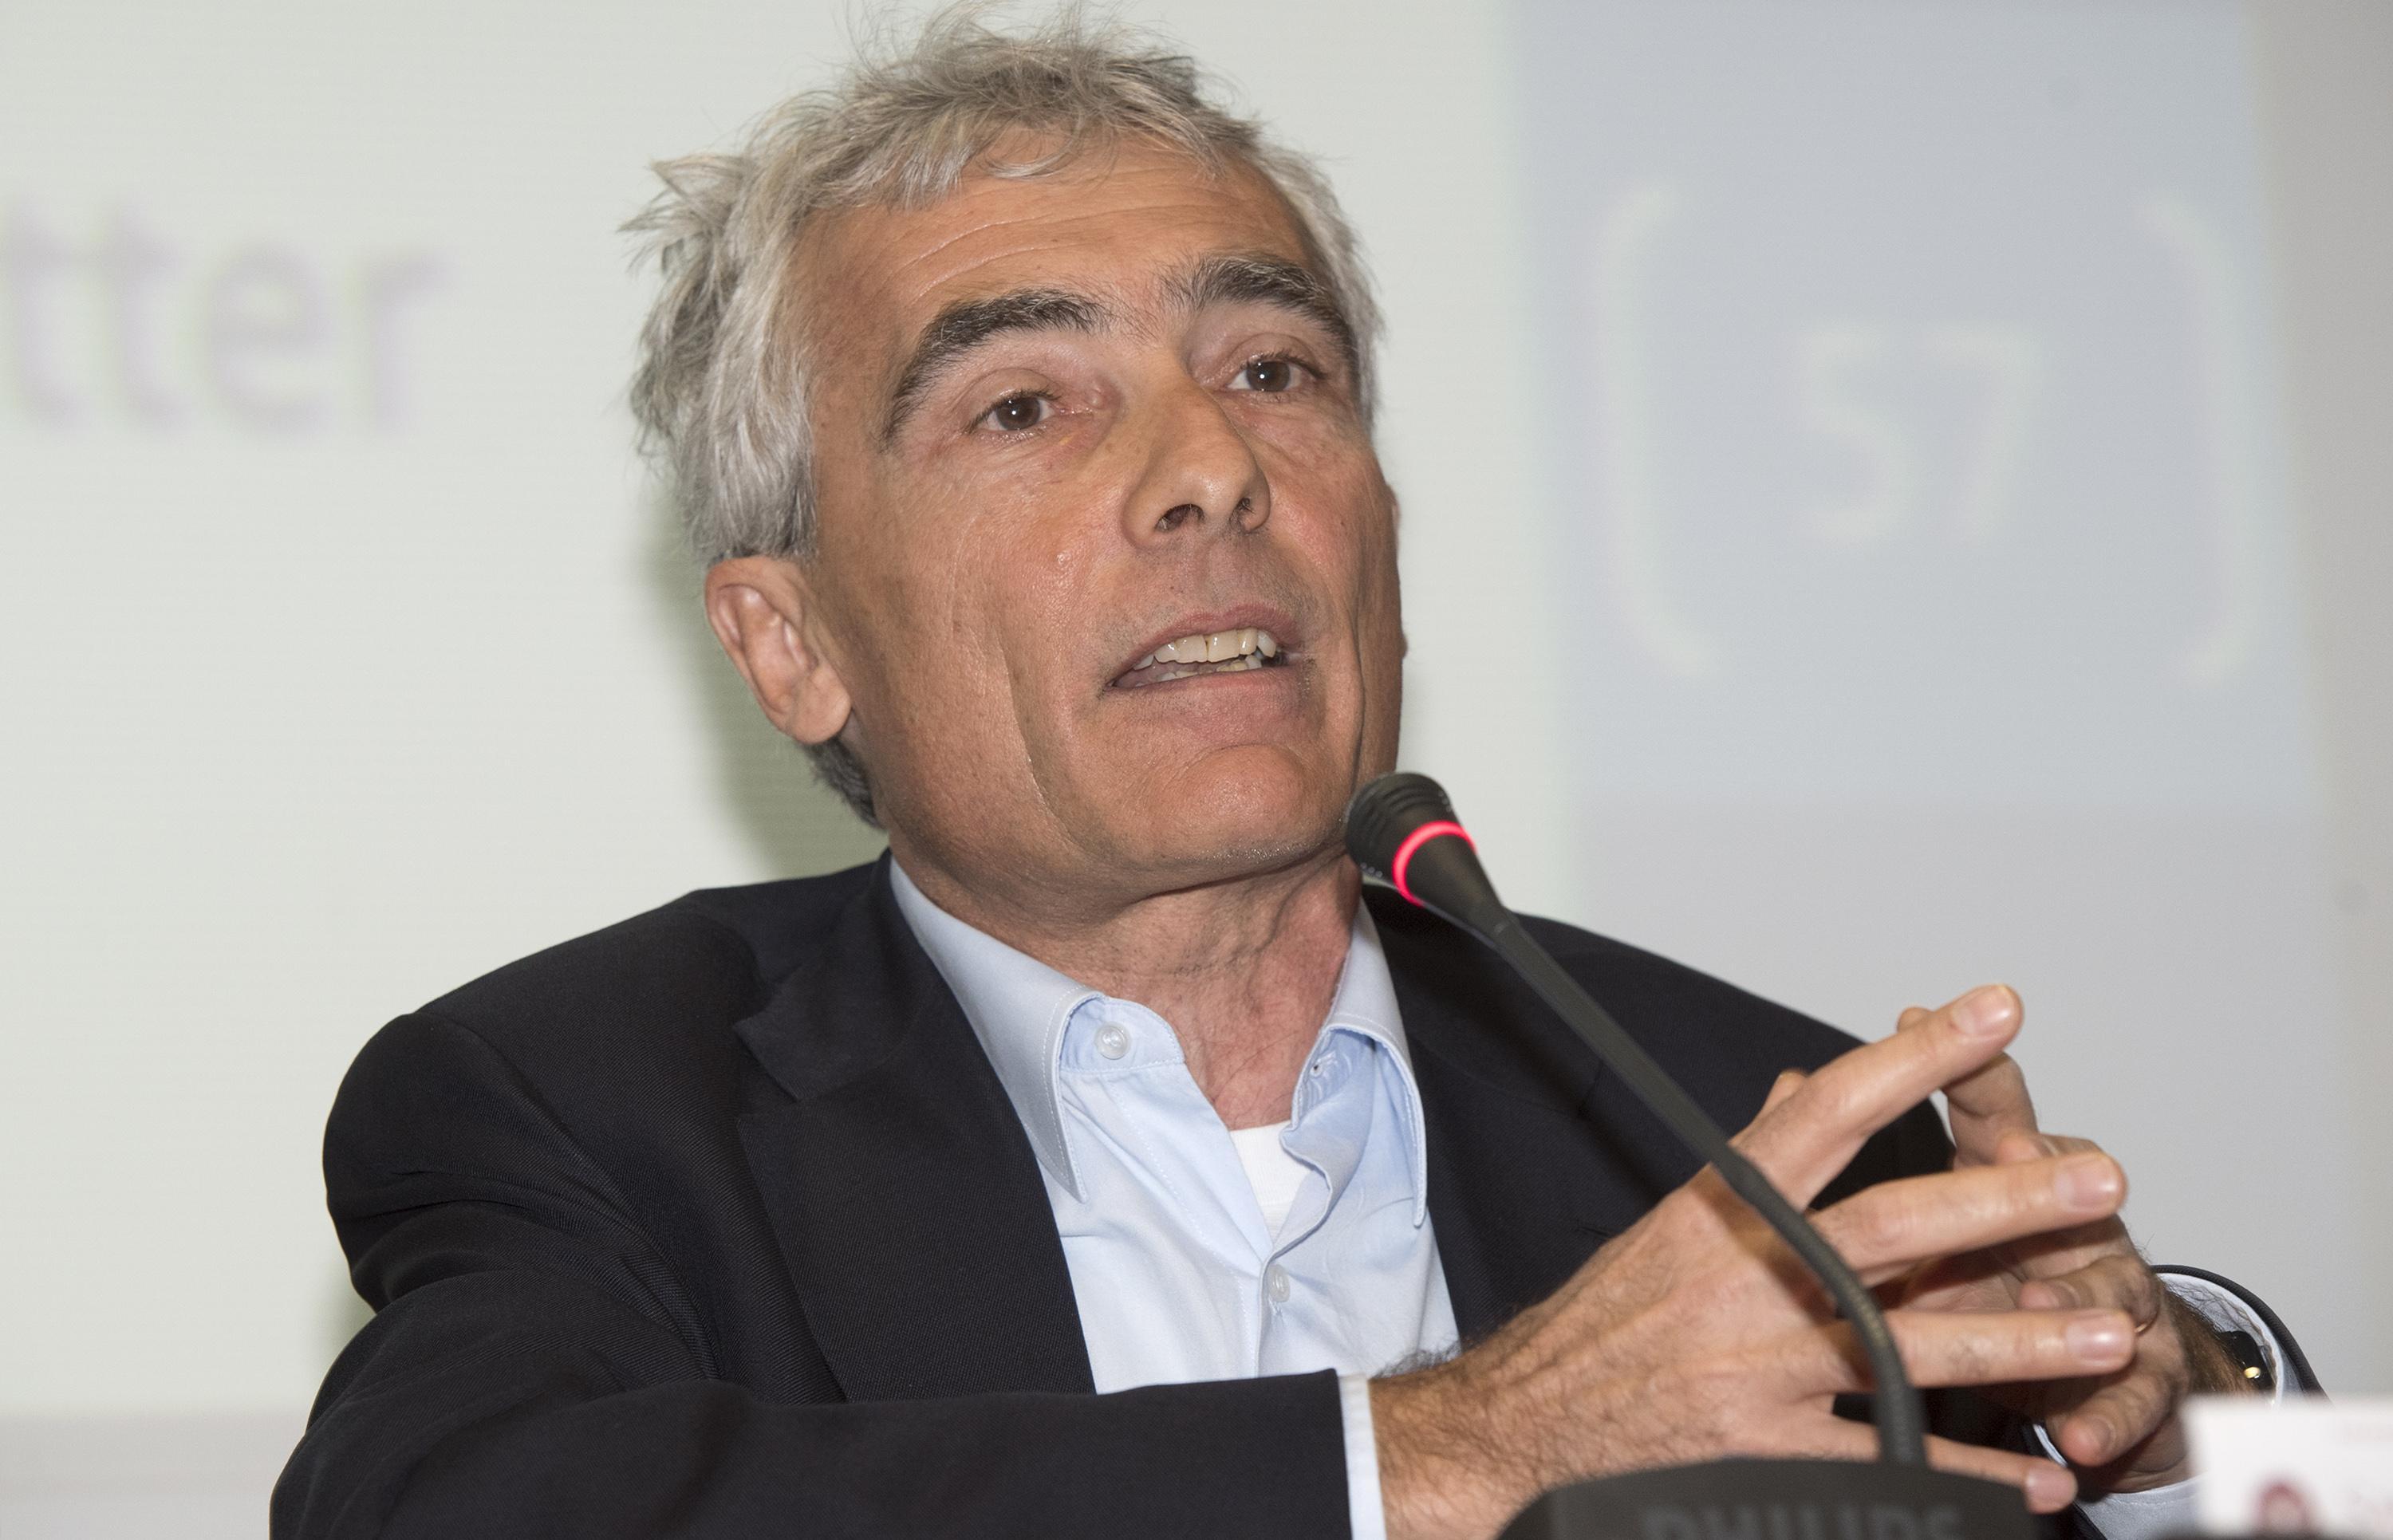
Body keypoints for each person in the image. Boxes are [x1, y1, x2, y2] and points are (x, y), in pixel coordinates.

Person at [271, 11, 2315, 1539]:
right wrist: (1450, 1452)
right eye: (1023, 405)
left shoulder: (1740, 1121)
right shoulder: (588, 1104)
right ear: (790, 642)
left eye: (1275, 371)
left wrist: (2179, 1414)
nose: (1211, 470)